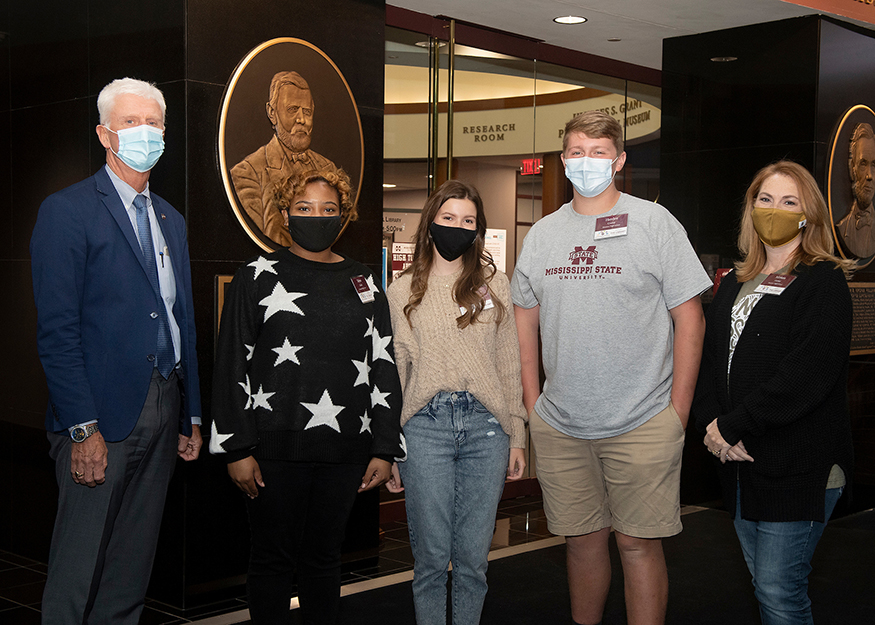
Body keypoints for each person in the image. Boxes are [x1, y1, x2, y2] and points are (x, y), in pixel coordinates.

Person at [511, 110, 711, 625]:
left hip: (643, 420)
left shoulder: (654, 222)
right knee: (581, 543)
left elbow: (690, 319)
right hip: (563, 425)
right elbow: (524, 320)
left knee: (637, 546)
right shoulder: (543, 235)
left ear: (619, 160)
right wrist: (534, 407)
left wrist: (678, 414)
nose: (586, 162)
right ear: (562, 159)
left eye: (598, 152)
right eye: (577, 151)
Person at [30, 77, 203, 624]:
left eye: (154, 122)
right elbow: (57, 333)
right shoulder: (68, 211)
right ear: (105, 134)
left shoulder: (171, 219)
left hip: (163, 407)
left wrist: (191, 414)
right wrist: (83, 428)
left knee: (131, 567)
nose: (145, 132)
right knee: (78, 573)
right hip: (99, 418)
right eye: (131, 122)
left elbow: (183, 322)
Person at [210, 168, 405, 624]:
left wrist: (383, 447)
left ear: (344, 217)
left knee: (324, 560)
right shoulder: (256, 276)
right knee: (271, 561)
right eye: (304, 208)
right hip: (272, 451)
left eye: (328, 210)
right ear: (284, 213)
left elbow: (383, 366)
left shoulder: (365, 282)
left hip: (344, 452)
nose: (317, 216)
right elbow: (230, 364)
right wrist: (236, 447)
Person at [693, 160, 854, 625]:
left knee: (779, 593)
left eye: (789, 202)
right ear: (751, 207)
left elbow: (805, 376)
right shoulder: (734, 283)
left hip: (799, 467)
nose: (774, 210)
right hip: (741, 465)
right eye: (765, 199)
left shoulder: (823, 282)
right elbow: (709, 364)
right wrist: (712, 426)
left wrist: (731, 426)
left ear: (809, 215)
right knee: (764, 586)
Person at [386, 180, 527, 625]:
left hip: (487, 429)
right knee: (430, 559)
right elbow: (396, 372)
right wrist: (389, 447)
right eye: (448, 218)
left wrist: (517, 434)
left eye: (468, 221)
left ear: (478, 230)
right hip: (425, 428)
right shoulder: (401, 289)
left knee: (473, 561)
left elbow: (509, 365)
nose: (458, 227)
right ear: (430, 223)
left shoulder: (494, 284)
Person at [230, 71, 338, 247]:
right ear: (272, 113)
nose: (301, 119)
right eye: (292, 110)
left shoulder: (328, 168)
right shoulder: (247, 173)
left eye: (307, 112)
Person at [836, 122, 875, 258]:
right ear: (852, 169)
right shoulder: (843, 227)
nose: (870, 175)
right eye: (863, 164)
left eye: (874, 165)